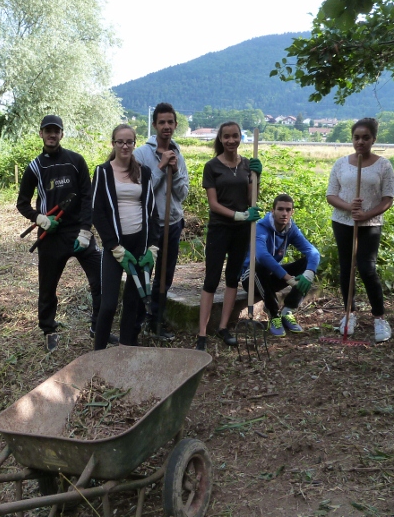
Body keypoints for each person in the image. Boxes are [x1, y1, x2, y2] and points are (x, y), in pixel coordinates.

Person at [17, 115, 112, 352]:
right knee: (47, 287)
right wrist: (39, 218)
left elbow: (88, 197)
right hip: (51, 235)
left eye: (56, 131)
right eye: (47, 131)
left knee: (100, 279)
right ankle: (49, 329)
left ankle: (98, 327)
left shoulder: (76, 161)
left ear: (62, 134)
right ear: (41, 134)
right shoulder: (35, 167)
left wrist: (85, 231)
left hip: (77, 232)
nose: (52, 135)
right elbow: (22, 203)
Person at [326, 117, 394, 343]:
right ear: (352, 139)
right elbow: (331, 194)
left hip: (370, 225)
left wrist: (366, 214)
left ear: (373, 139)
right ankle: (349, 314)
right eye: (357, 137)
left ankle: (379, 317)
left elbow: (387, 199)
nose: (360, 142)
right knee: (347, 269)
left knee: (367, 268)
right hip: (343, 222)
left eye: (366, 138)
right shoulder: (341, 163)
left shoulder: (383, 165)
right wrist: (348, 207)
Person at [92, 124, 160, 349]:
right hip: (116, 247)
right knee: (109, 304)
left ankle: (126, 348)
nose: (125, 146)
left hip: (139, 244)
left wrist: (152, 247)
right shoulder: (102, 172)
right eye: (120, 141)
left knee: (133, 302)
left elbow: (152, 212)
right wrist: (114, 246)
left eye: (129, 142)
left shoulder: (144, 172)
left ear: (134, 143)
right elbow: (97, 213)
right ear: (113, 143)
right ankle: (98, 352)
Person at [196, 121, 262, 351]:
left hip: (240, 231)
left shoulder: (246, 166)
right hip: (220, 228)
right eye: (227, 137)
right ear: (221, 139)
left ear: (240, 137)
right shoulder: (211, 166)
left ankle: (223, 327)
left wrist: (256, 177)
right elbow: (213, 204)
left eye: (235, 136)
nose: (231, 140)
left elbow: (251, 197)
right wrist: (238, 216)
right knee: (211, 279)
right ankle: (202, 333)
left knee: (233, 277)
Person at [134, 103, 189, 341]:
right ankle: (137, 319)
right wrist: (160, 167)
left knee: (165, 276)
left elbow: (183, 193)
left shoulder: (179, 154)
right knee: (143, 272)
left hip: (173, 222)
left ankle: (157, 320)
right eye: (162, 122)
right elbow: (139, 190)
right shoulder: (141, 154)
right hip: (148, 225)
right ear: (155, 125)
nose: (166, 126)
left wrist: (175, 170)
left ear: (176, 125)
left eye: (170, 122)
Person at [241, 194, 321, 336]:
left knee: (309, 264)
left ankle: (288, 309)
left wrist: (309, 273)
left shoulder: (291, 229)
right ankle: (273, 314)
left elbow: (313, 252)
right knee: (260, 265)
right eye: (280, 209)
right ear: (273, 211)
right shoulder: (260, 228)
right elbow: (262, 256)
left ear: (292, 212)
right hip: (252, 277)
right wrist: (287, 278)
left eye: (288, 210)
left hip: (272, 276)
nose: (284, 213)